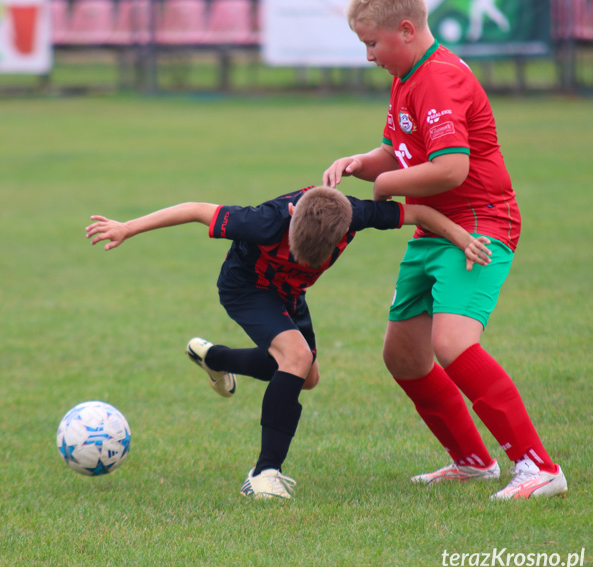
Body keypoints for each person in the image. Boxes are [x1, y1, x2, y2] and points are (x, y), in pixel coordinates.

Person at [87, 185, 491, 499]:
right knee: (295, 357)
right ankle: (263, 473)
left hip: (290, 295)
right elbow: (195, 210)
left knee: (307, 376)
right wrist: (127, 227)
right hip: (247, 288)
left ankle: (216, 357)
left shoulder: (354, 213)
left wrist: (461, 237)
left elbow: (416, 211)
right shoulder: (263, 221)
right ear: (293, 216)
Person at [323, 0, 566, 499]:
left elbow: (452, 168)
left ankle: (540, 467)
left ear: (406, 30)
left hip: (478, 223)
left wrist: (386, 183)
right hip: (432, 227)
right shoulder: (407, 75)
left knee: (453, 342)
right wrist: (361, 162)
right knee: (404, 356)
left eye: (372, 43)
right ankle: (473, 462)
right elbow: (400, 149)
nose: (369, 56)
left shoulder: (438, 78)